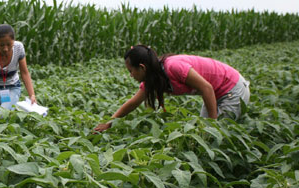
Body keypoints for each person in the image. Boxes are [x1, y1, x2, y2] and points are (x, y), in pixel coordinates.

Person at [94, 45, 250, 132]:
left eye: (131, 71)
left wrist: (213, 123)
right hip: (217, 93)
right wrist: (109, 123)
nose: (131, 75)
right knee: (203, 132)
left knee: (212, 132)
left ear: (142, 67)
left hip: (232, 90)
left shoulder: (173, 67)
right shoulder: (154, 77)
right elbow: (133, 103)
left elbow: (207, 88)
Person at [0, 24, 36, 113]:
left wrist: (32, 95)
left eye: (9, 44)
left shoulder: (19, 48)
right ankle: (11, 107)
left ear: (13, 41)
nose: (5, 49)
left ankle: (13, 104)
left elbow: (24, 73)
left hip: (12, 86)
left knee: (2, 114)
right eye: (1, 45)